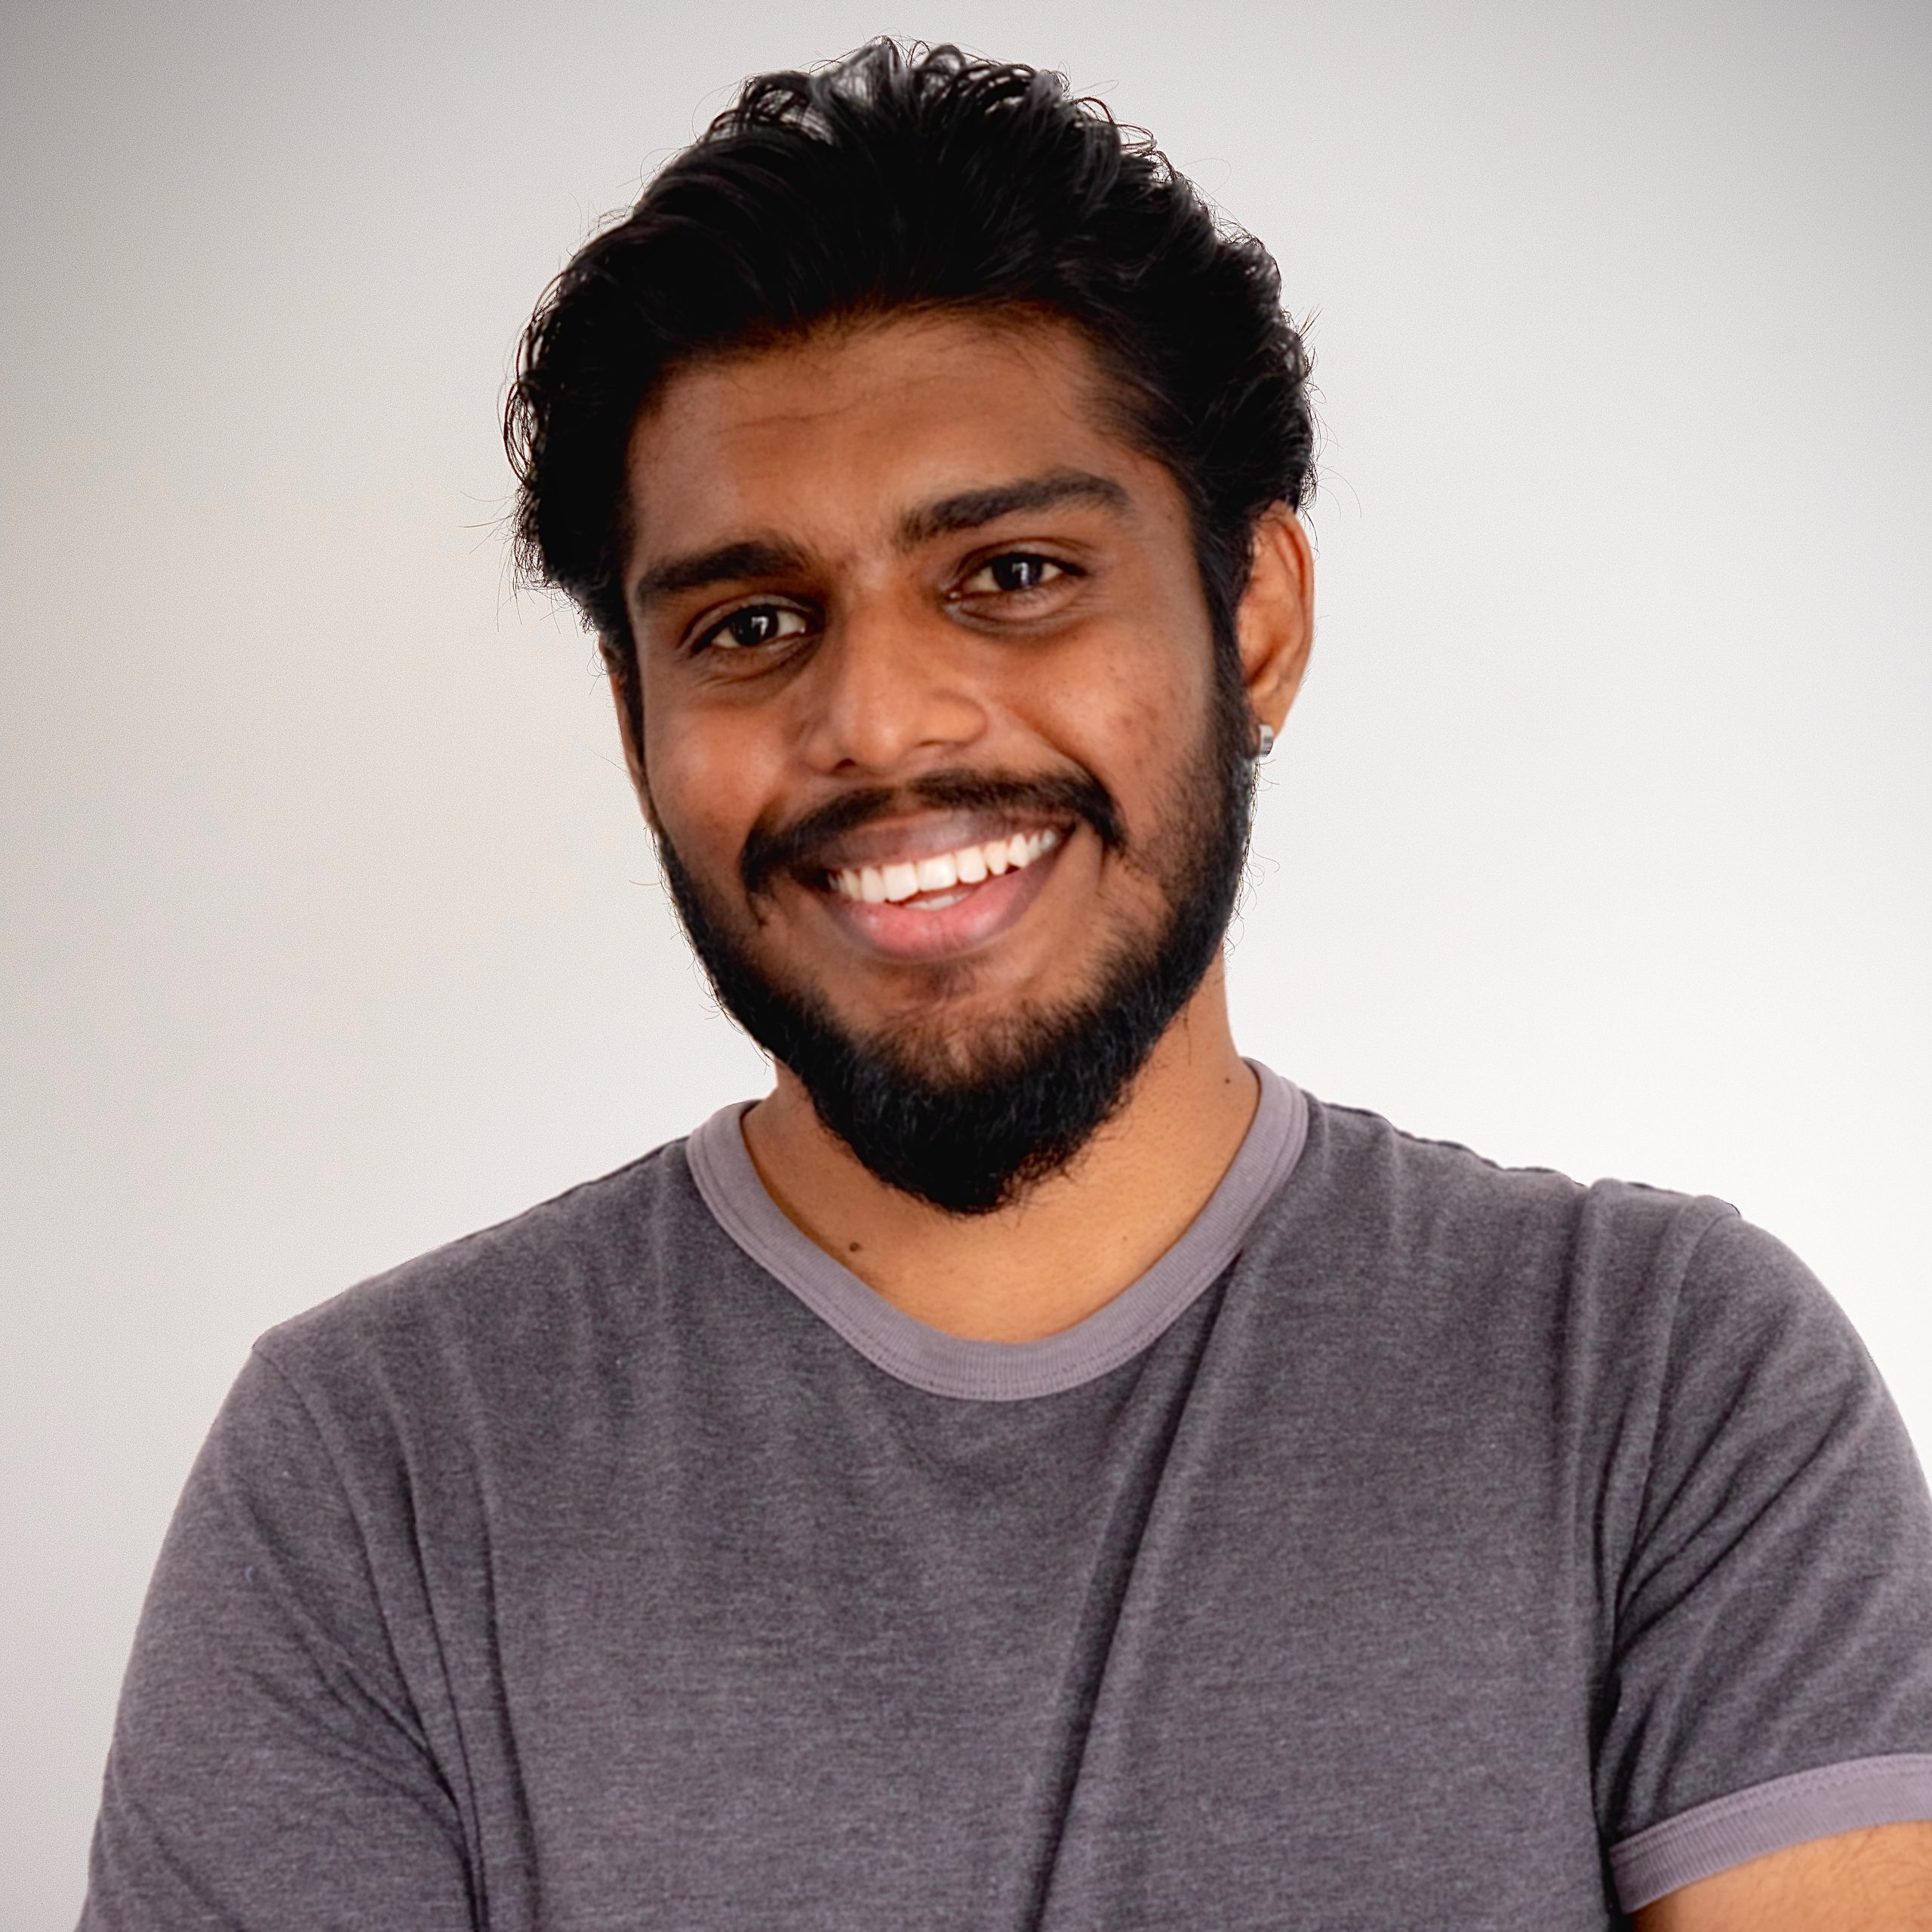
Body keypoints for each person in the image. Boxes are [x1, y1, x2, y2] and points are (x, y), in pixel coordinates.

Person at [79, 40, 1932, 1931]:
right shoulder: (377, 1466)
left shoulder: (1660, 1380)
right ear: (636, 726)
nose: (878, 719)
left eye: (1014, 572)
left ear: (1253, 620)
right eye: (747, 623)